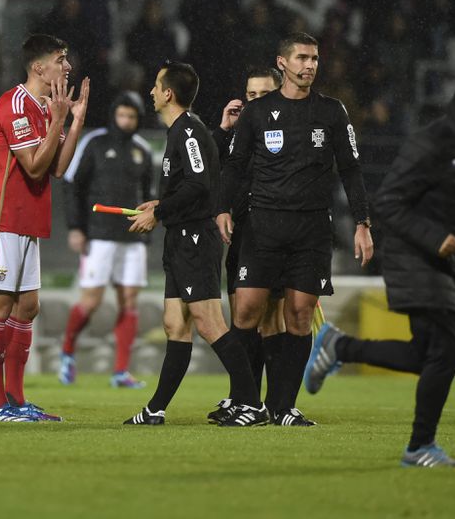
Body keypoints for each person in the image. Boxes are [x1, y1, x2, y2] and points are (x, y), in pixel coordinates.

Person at [304, 71, 455, 466]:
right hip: (415, 257)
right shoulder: (430, 144)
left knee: (426, 355)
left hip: (443, 261)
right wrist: (435, 239)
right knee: (447, 348)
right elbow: (388, 203)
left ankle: (339, 345)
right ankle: (419, 447)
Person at [216, 33, 374, 426]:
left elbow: (351, 170)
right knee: (247, 310)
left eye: (315, 59)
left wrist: (362, 222)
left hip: (311, 230)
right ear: (282, 62)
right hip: (262, 226)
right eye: (302, 58)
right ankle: (247, 402)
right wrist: (221, 208)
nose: (310, 65)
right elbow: (235, 166)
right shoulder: (257, 113)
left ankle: (284, 406)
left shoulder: (333, 112)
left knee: (300, 315)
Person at [124, 62, 271, 427]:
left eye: (157, 86)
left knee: (208, 323)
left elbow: (199, 184)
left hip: (194, 238)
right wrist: (160, 205)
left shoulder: (188, 132)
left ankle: (252, 404)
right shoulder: (180, 131)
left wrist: (159, 213)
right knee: (175, 324)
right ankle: (155, 409)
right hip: (179, 237)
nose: (152, 92)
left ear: (169, 93)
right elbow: (189, 185)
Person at [0, 34, 90, 421]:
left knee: (27, 307)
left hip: (27, 222)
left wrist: (74, 124)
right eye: (61, 58)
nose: (67, 66)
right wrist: (57, 119)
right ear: (39, 68)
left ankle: (17, 401)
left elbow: (56, 169)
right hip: (1, 220)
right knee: (0, 304)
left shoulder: (42, 107)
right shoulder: (15, 106)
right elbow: (35, 166)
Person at [59, 92, 155, 388]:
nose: (126, 122)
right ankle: (68, 351)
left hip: (132, 237)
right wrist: (76, 227)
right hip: (99, 235)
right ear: (114, 115)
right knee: (92, 301)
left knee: (129, 301)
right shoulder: (95, 142)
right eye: (122, 115)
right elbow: (72, 186)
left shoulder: (143, 150)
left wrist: (147, 230)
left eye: (132, 117)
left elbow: (149, 196)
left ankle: (120, 371)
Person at [212, 67, 288, 406]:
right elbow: (214, 174)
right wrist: (224, 131)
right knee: (240, 318)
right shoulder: (237, 136)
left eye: (263, 95)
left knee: (269, 320)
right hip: (240, 234)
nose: (254, 101)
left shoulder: (287, 134)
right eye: (250, 95)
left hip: (273, 235)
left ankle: (271, 400)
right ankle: (243, 397)